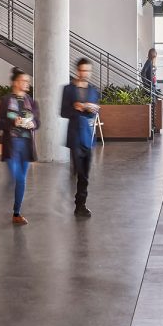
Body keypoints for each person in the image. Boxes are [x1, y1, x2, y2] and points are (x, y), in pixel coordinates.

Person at [0, 68, 39, 225]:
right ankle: (9, 187)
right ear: (15, 82)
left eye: (28, 81)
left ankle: (16, 213)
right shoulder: (6, 100)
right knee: (18, 178)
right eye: (24, 80)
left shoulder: (31, 101)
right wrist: (13, 122)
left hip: (26, 145)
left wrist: (32, 123)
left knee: (22, 181)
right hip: (11, 145)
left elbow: (38, 122)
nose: (27, 83)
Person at [61, 58, 100, 218]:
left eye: (88, 71)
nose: (85, 74)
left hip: (88, 137)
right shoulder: (68, 90)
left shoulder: (93, 90)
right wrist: (75, 108)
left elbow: (95, 111)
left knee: (86, 174)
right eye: (83, 70)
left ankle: (80, 205)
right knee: (81, 173)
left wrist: (90, 108)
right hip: (75, 136)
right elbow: (63, 112)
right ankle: (80, 204)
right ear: (78, 71)